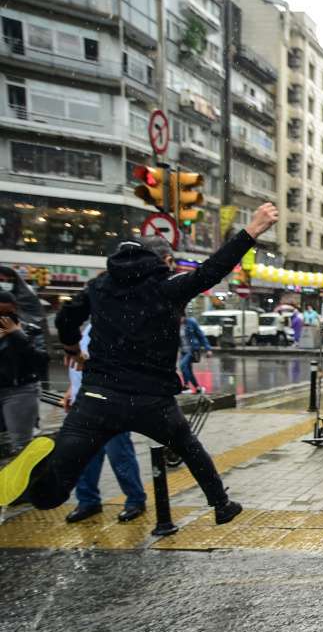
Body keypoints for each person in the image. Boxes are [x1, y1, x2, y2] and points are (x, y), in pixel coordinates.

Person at [0, 203, 280, 522]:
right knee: (187, 445)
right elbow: (212, 270)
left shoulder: (98, 288)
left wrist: (73, 349)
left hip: (97, 399)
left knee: (53, 494)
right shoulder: (168, 288)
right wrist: (252, 230)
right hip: (151, 401)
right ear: (158, 261)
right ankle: (220, 504)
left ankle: (40, 477)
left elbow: (65, 318)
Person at [62, 323, 145, 524]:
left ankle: (135, 499)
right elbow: (78, 367)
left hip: (111, 402)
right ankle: (87, 501)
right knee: (84, 456)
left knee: (119, 454)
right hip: (84, 402)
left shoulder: (118, 326)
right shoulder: (88, 327)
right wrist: (71, 390)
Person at [0, 290, 47, 454]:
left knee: (21, 446)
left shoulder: (30, 330)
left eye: (7, 313)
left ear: (15, 309)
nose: (3, 319)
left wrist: (18, 335)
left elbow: (41, 359)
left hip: (19, 390)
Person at [178, 314, 211, 394]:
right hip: (183, 351)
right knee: (187, 369)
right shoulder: (177, 325)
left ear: (184, 316)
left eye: (180, 317)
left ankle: (186, 386)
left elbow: (201, 336)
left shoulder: (191, 322)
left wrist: (208, 349)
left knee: (183, 366)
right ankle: (198, 388)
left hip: (192, 350)